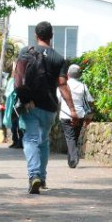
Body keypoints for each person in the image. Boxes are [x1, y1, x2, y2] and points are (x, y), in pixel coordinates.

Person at [19, 21, 77, 194]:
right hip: (49, 107)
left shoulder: (26, 52)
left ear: (36, 36)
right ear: (52, 36)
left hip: (29, 104)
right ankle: (42, 177)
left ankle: (34, 175)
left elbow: (18, 77)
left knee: (30, 139)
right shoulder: (59, 58)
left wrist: (22, 98)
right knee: (43, 141)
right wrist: (72, 109)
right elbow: (63, 85)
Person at [57, 64, 94, 168]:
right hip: (80, 115)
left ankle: (73, 158)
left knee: (70, 137)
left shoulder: (64, 85)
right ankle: (71, 161)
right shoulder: (83, 86)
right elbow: (90, 101)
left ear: (68, 74)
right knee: (75, 137)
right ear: (79, 75)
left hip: (66, 114)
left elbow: (58, 99)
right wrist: (89, 116)